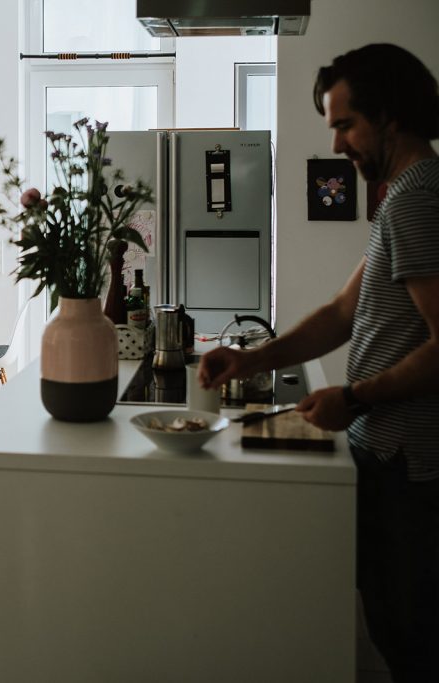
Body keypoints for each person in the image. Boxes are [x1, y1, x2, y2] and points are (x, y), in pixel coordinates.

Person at [198, 44, 439, 682]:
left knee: (412, 643)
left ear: (388, 116)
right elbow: (340, 311)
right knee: (394, 632)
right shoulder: (406, 196)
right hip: (392, 461)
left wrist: (355, 399)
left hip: (412, 467)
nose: (337, 144)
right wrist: (252, 360)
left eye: (343, 124)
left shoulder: (418, 199)